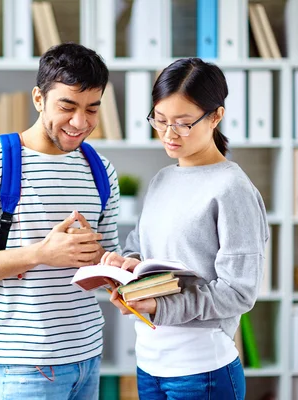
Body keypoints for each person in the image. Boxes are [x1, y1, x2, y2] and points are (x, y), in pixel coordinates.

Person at [0, 43, 121, 400]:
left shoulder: (101, 170)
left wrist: (119, 270)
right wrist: (40, 253)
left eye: (92, 108)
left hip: (88, 354)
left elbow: (106, 256)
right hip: (26, 364)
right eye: (67, 106)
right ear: (39, 98)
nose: (80, 122)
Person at [102, 58, 269, 400]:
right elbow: (140, 245)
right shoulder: (163, 179)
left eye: (182, 123)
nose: (168, 134)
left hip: (202, 369)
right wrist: (125, 268)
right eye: (160, 120)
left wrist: (160, 305)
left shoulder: (232, 188)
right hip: (149, 363)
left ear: (216, 116)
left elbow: (239, 292)